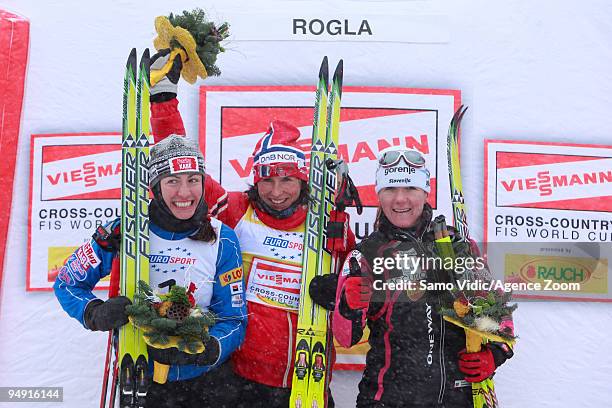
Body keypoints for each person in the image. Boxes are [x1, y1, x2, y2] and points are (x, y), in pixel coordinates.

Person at [149, 49, 356, 408]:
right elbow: (181, 171)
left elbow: (362, 281)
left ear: (304, 180)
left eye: (288, 180)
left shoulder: (327, 222)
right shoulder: (235, 210)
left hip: (308, 375)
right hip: (241, 379)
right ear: (255, 180)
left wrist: (341, 291)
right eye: (267, 181)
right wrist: (163, 99)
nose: (277, 193)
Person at [53, 135, 247, 408]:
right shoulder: (125, 229)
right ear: (155, 185)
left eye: (193, 179)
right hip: (142, 377)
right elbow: (67, 282)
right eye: (172, 181)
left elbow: (234, 319)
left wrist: (210, 348)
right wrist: (94, 312)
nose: (184, 192)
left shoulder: (221, 237)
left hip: (208, 385)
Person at [332, 147, 515, 408]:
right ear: (379, 194)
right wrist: (349, 306)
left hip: (457, 398)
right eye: (390, 189)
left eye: (410, 189)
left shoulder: (457, 245)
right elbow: (345, 337)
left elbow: (500, 317)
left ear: (426, 191)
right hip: (386, 399)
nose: (400, 199)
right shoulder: (364, 256)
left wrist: (494, 354)